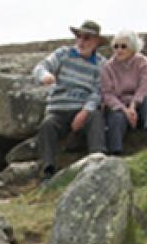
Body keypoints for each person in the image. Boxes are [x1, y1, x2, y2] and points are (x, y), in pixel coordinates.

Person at [32, 19, 107, 175]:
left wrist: (85, 111)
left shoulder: (101, 64)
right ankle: (48, 169)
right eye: (79, 36)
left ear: (96, 42)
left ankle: (98, 159)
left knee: (96, 117)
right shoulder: (63, 54)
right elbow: (40, 67)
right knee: (47, 125)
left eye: (86, 38)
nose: (81, 41)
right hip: (58, 109)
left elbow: (99, 91)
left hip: (82, 109)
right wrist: (45, 76)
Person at [98, 29, 147, 155]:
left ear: (132, 47)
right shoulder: (107, 67)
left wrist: (133, 106)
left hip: (138, 101)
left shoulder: (143, 63)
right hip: (119, 103)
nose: (119, 50)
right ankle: (115, 151)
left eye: (123, 46)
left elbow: (145, 85)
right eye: (116, 46)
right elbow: (107, 93)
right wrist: (124, 109)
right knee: (115, 117)